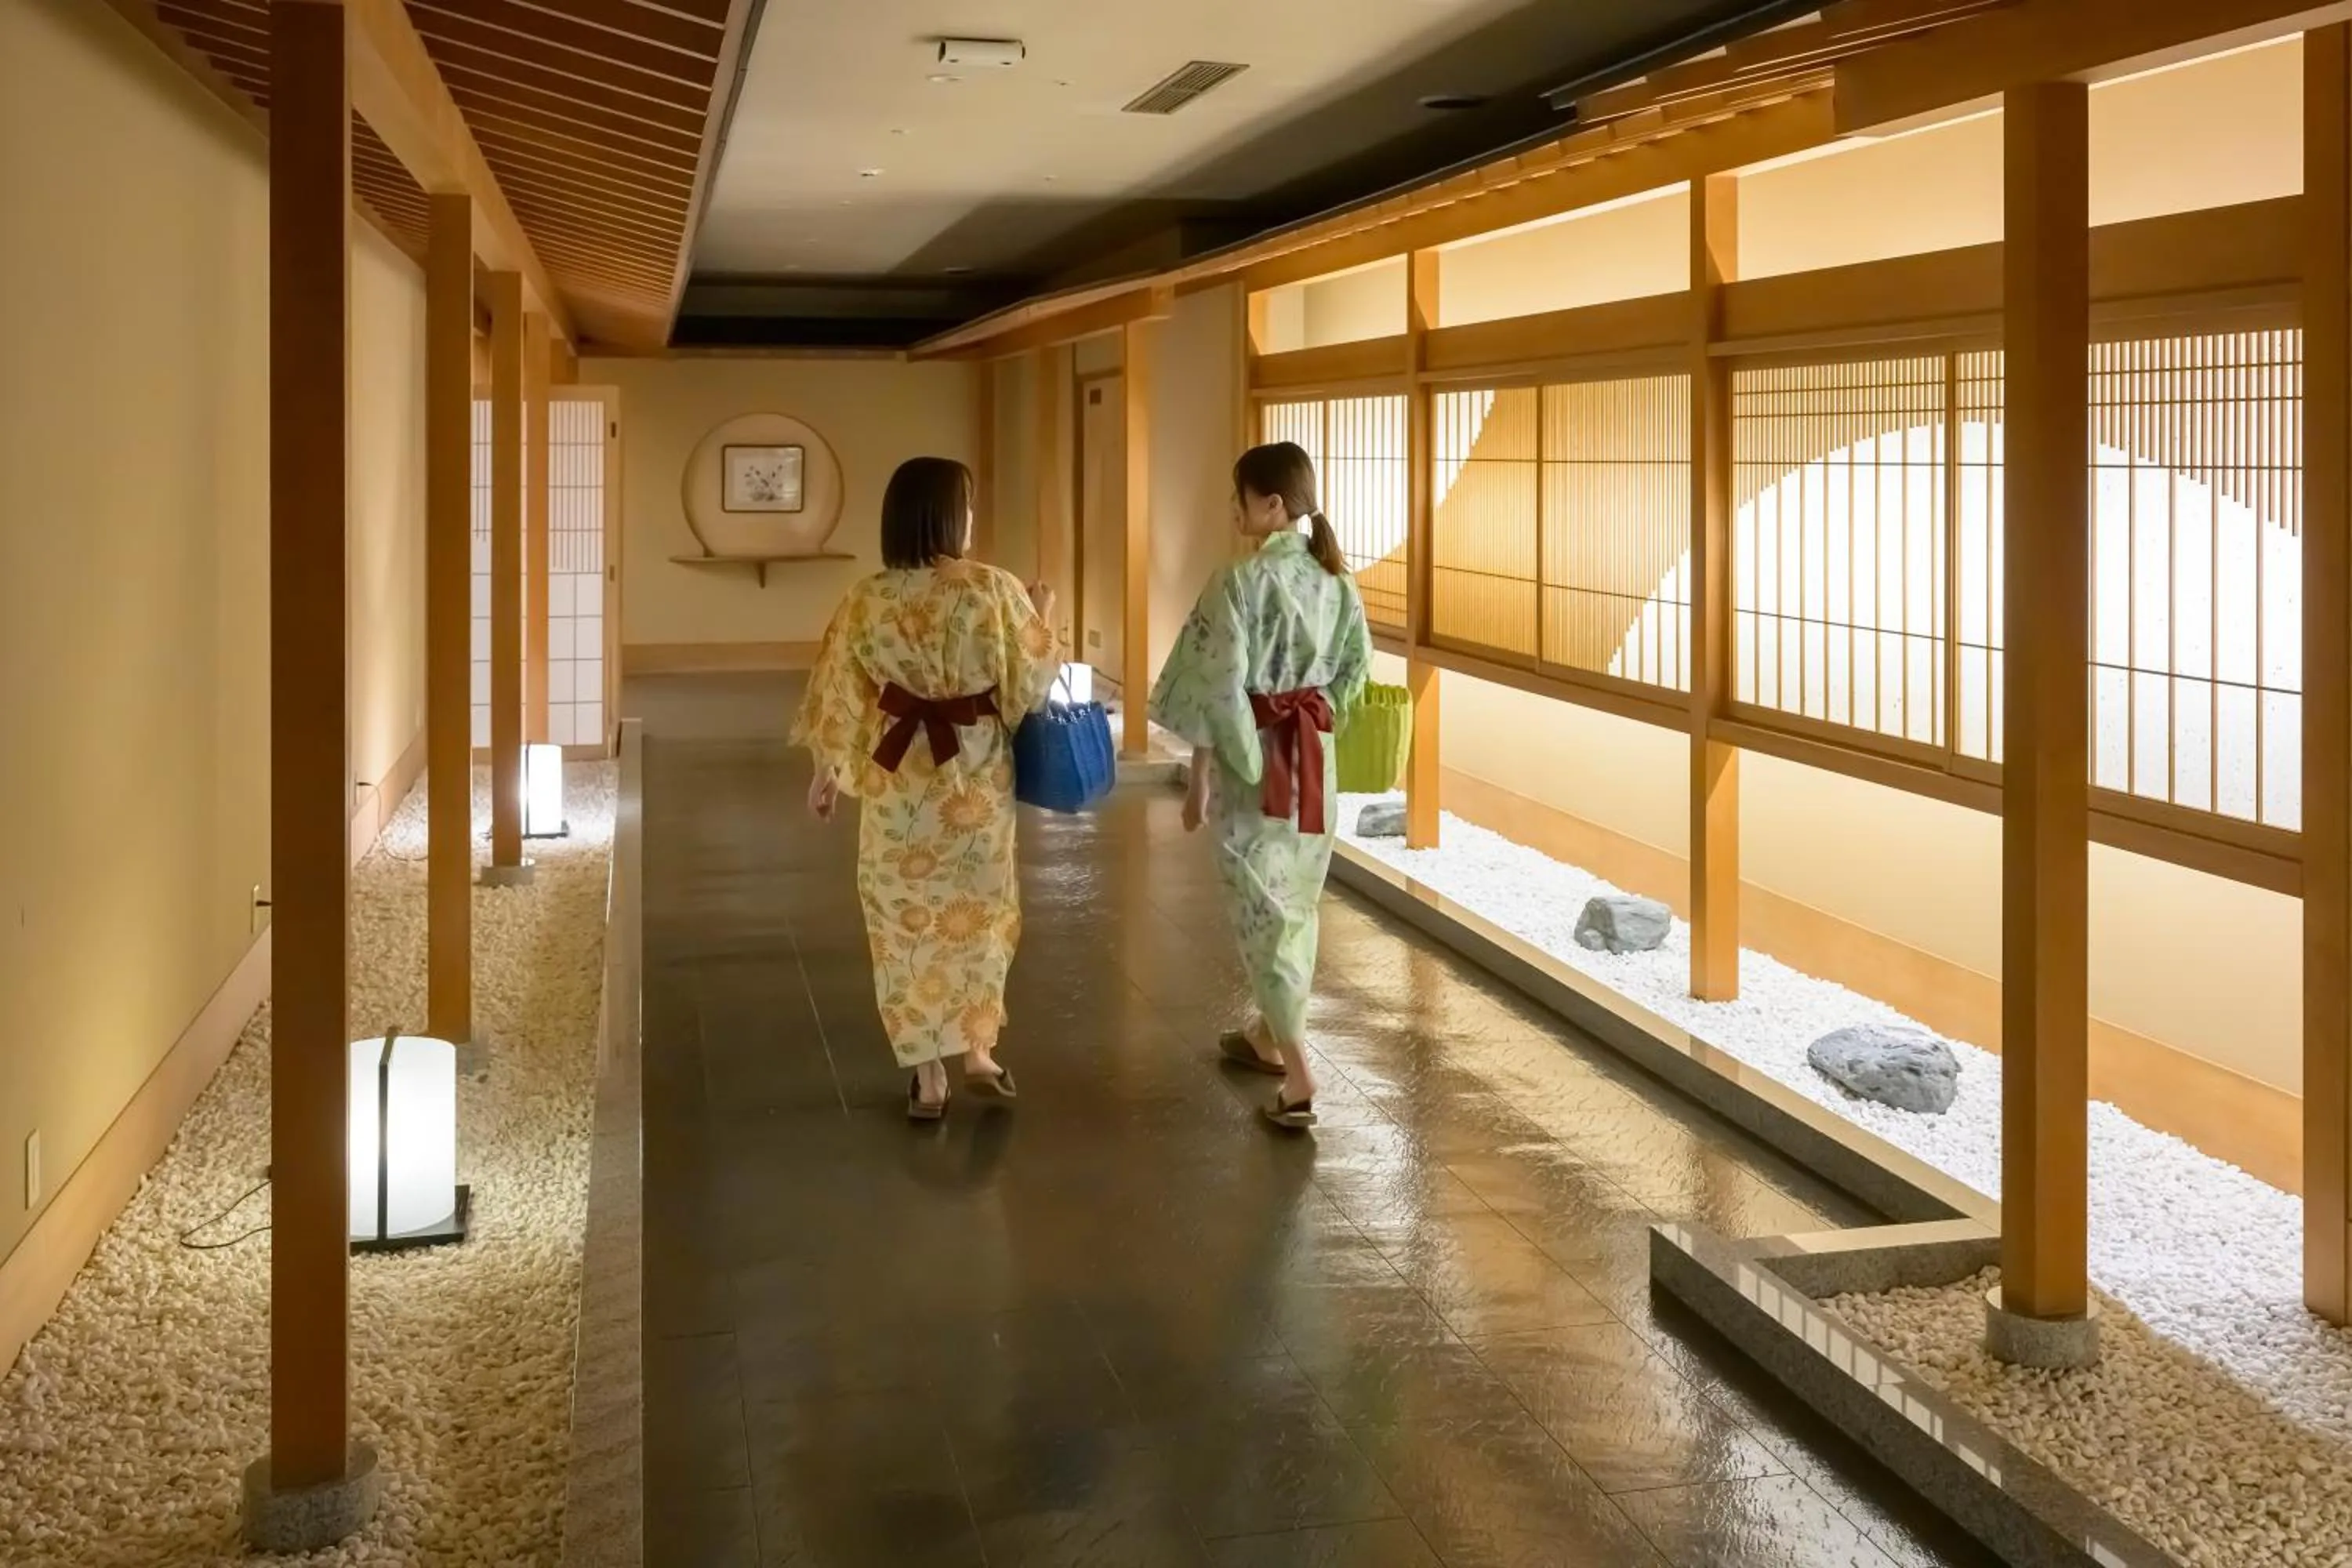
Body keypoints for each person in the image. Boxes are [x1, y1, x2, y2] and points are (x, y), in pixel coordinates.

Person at [793, 456, 1060, 1121]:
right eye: (966, 507)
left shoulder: (867, 598)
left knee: (903, 922)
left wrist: (827, 773)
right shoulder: (992, 589)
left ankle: (929, 1077)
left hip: (897, 786)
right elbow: (1029, 685)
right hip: (975, 781)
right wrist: (1043, 611)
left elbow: (840, 693)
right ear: (949, 516)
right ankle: (978, 1052)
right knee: (980, 911)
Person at [1149, 441, 1373, 1130]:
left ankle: (1301, 1076)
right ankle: (1266, 1034)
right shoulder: (1339, 581)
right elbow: (1355, 671)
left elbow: (1218, 688)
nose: (1231, 509)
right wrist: (1316, 717)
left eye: (1239, 496)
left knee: (1265, 916)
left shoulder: (1238, 584)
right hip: (1314, 764)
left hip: (1262, 774)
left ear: (1271, 505)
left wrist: (1211, 774)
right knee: (1294, 906)